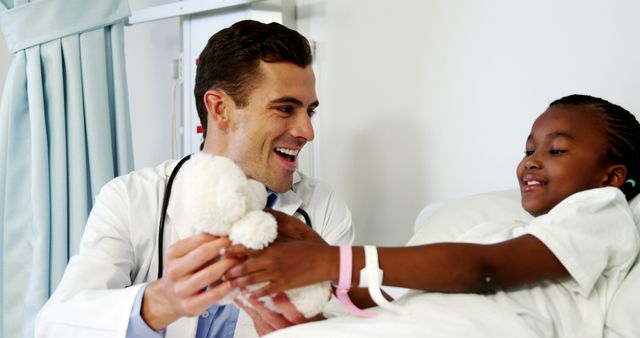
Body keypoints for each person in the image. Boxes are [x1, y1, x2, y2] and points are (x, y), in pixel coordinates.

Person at [34, 20, 354, 338]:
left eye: (309, 112)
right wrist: (164, 300)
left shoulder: (321, 208)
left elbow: (347, 325)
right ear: (219, 109)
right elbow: (56, 323)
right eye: (285, 108)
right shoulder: (130, 198)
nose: (307, 132)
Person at [223, 94, 640, 337]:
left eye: (556, 150)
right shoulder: (495, 230)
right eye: (528, 149)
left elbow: (484, 271)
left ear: (612, 175)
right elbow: (386, 294)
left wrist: (330, 261)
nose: (531, 161)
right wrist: (321, 275)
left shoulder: (600, 210)